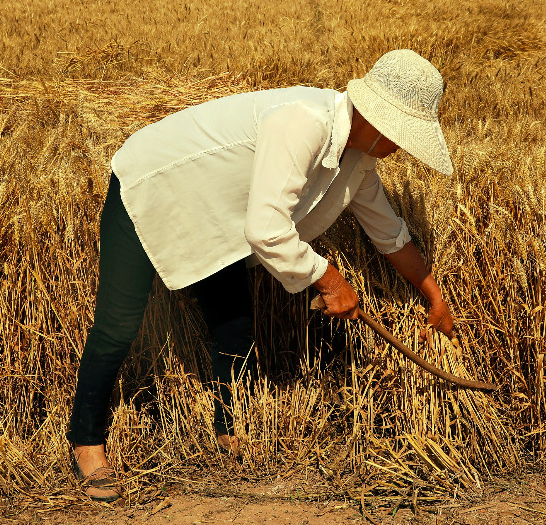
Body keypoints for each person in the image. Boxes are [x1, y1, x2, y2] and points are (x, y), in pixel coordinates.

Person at [66, 49, 456, 501]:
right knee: (120, 324)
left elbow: (389, 234)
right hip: (154, 185)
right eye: (402, 136)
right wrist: (329, 278)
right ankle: (86, 438)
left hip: (217, 213)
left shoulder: (358, 159)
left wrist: (433, 295)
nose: (401, 148)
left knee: (233, 324)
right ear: (376, 118)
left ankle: (227, 432)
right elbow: (267, 228)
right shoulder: (303, 122)